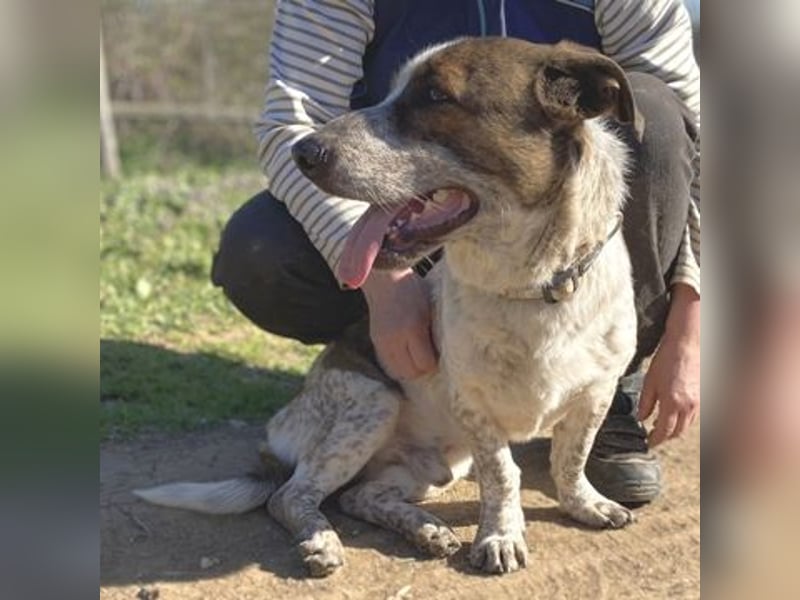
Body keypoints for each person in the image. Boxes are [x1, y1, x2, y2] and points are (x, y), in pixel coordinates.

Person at [211, 0, 700, 505]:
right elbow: (291, 124)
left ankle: (606, 383)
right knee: (262, 249)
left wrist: (690, 319)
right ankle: (409, 387)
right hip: (410, 201)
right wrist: (384, 285)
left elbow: (698, 139)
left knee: (658, 112)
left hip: (570, 239)